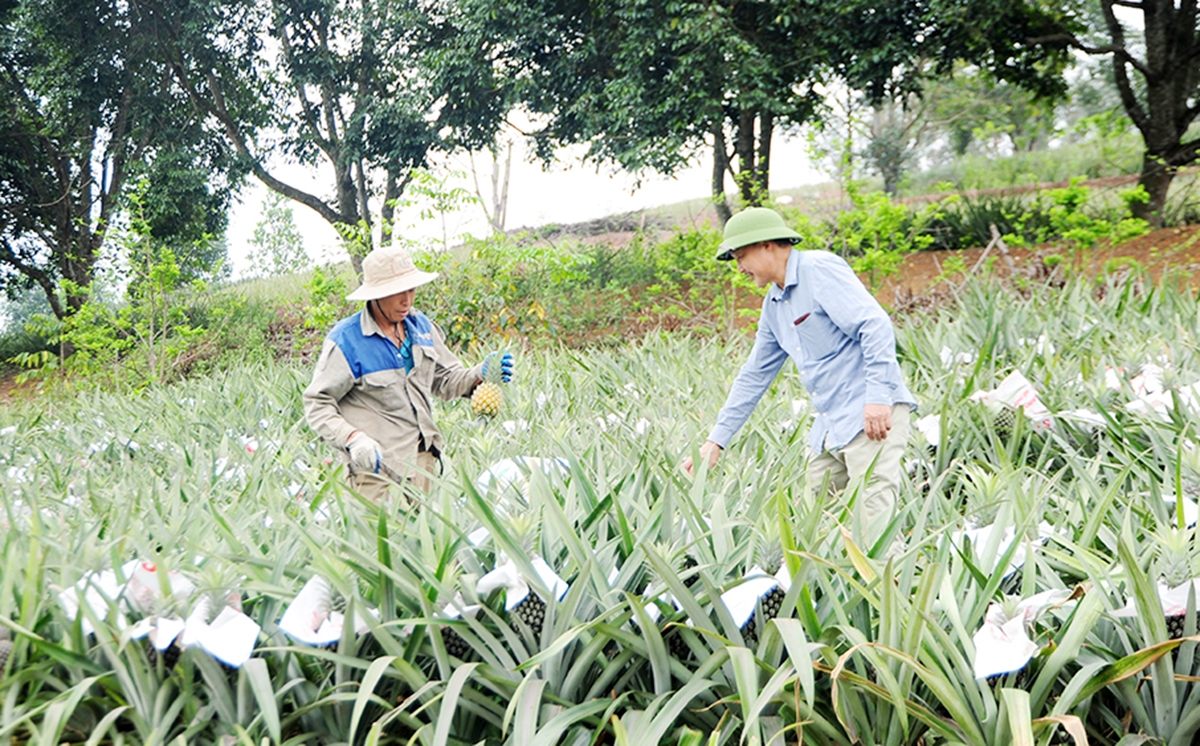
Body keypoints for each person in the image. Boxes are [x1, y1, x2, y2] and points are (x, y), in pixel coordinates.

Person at [682, 207, 916, 546]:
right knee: (821, 524)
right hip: (831, 429)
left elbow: (874, 324)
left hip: (871, 418)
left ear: (766, 245)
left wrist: (878, 397)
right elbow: (754, 375)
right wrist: (715, 441)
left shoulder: (818, 269)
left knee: (874, 531)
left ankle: (901, 593)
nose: (739, 268)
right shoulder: (774, 304)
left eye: (741, 256)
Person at [303, 245, 513, 502]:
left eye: (411, 289)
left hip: (423, 462)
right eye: (397, 293)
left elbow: (445, 380)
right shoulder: (347, 341)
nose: (407, 300)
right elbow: (317, 403)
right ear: (376, 295)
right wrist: (353, 438)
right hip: (376, 470)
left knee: (426, 539)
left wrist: (479, 373)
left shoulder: (421, 327)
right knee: (380, 541)